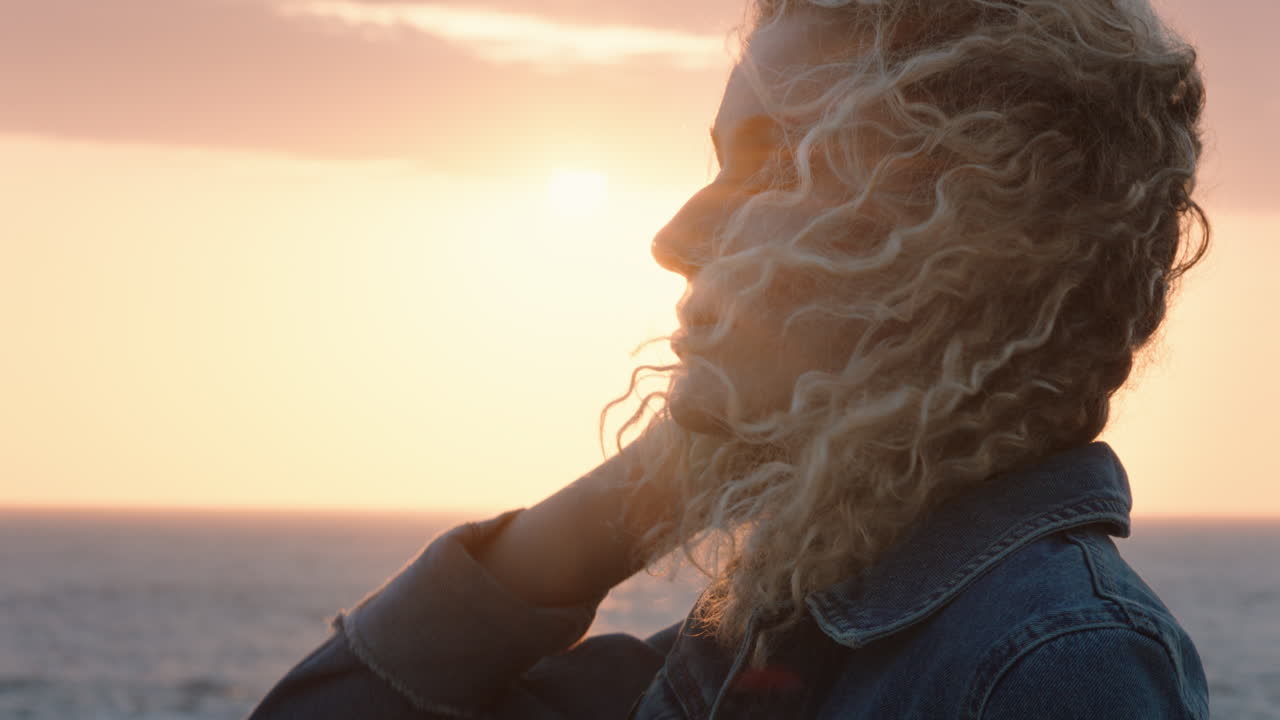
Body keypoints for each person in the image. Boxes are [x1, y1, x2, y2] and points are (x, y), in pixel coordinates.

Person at [248, 0, 1211, 717]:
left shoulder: (1050, 662)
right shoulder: (772, 633)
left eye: (775, 165)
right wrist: (666, 473)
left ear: (964, 233)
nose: (675, 235)